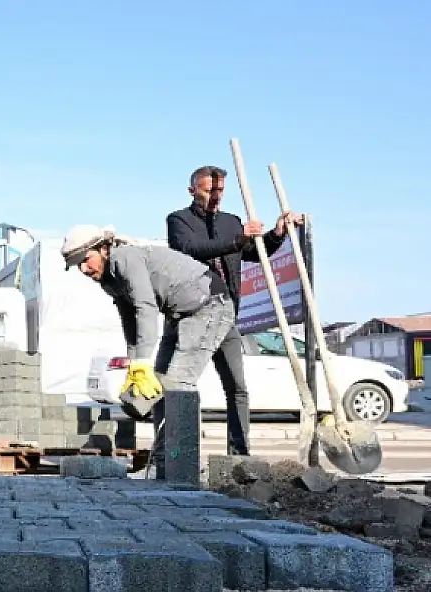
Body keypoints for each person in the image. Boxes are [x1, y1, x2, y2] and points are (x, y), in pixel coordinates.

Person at [61, 224, 237, 478]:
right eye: (78, 265)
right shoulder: (108, 278)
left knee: (178, 384)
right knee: (157, 387)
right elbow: (129, 319)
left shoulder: (124, 258)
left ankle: (183, 469)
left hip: (209, 305)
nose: (84, 269)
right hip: (178, 314)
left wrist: (142, 361)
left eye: (86, 260)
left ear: (102, 248)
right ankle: (162, 466)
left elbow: (145, 307)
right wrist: (135, 365)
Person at [166, 166, 301, 457]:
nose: (215, 196)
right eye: (208, 191)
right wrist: (238, 239)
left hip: (226, 317)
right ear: (192, 191)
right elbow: (191, 250)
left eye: (219, 191)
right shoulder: (179, 221)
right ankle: (171, 456)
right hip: (192, 317)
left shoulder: (231, 222)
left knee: (237, 387)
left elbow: (253, 252)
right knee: (180, 386)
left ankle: (239, 455)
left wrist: (276, 233)